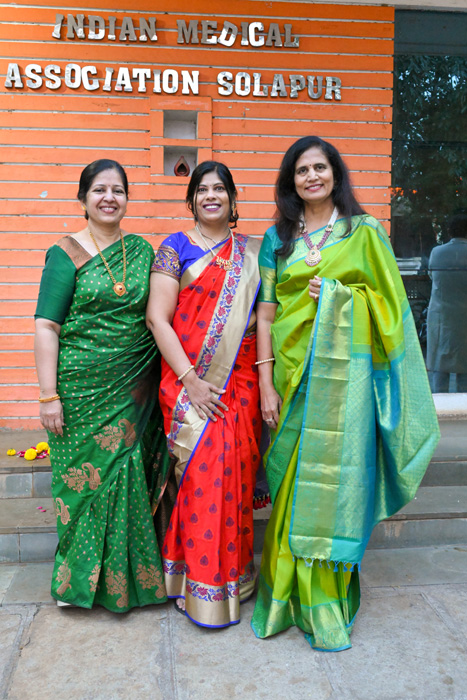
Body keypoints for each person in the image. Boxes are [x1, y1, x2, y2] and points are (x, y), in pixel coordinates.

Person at [251, 136, 440, 651]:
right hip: (291, 378)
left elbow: (392, 307)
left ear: (335, 173)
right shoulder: (277, 239)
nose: (311, 176)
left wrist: (341, 297)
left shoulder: (364, 231)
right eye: (301, 170)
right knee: (292, 486)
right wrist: (266, 382)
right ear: (290, 181)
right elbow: (266, 315)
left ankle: (326, 601)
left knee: (334, 486)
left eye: (320, 167)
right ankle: (284, 595)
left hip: (345, 388)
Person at [34, 159, 169, 611]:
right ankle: (77, 585)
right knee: (83, 487)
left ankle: (131, 582)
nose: (109, 198)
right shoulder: (65, 253)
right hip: (80, 392)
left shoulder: (143, 251)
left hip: (134, 390)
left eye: (118, 190)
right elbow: (46, 327)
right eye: (99, 190)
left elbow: (161, 316)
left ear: (127, 199)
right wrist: (48, 396)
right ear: (83, 198)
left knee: (127, 477)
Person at [146, 161, 262, 628]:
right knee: (199, 481)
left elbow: (268, 317)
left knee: (233, 481)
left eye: (220, 189)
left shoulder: (254, 252)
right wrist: (191, 380)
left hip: (240, 384)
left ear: (233, 200)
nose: (211, 196)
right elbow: (157, 318)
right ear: (192, 200)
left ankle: (233, 580)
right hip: (187, 383)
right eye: (202, 189)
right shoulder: (174, 247)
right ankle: (197, 583)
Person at [426, 209, 467, 392]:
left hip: (441, 315)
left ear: (449, 231)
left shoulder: (437, 252)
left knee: (439, 366)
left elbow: (432, 277)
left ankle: (439, 406)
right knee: (465, 370)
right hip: (464, 316)